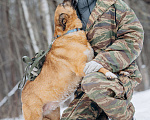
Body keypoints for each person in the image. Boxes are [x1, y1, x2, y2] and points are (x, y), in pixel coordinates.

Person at [60, 0, 144, 120]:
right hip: (84, 88)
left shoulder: (114, 5)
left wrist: (102, 62)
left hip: (117, 76)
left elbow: (133, 37)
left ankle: (125, 116)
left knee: (92, 82)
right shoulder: (66, 13)